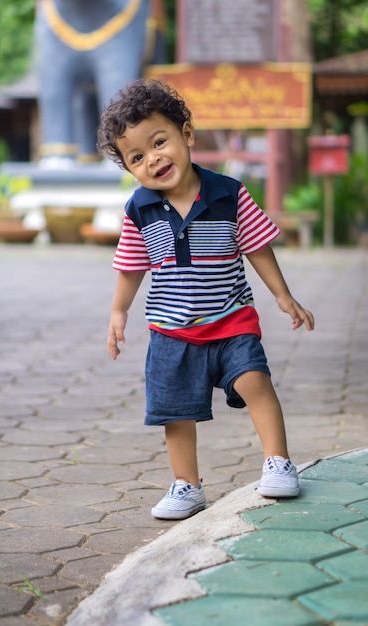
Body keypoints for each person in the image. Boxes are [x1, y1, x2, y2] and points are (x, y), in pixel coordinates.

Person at [97, 79, 315, 520]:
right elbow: (131, 267)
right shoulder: (138, 209)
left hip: (232, 319)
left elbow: (256, 246)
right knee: (176, 412)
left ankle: (278, 461)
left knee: (255, 381)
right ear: (130, 169)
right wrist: (118, 312)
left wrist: (283, 295)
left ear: (186, 135)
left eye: (160, 142)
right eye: (137, 157)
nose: (153, 158)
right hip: (171, 331)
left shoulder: (228, 194)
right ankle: (187, 485)